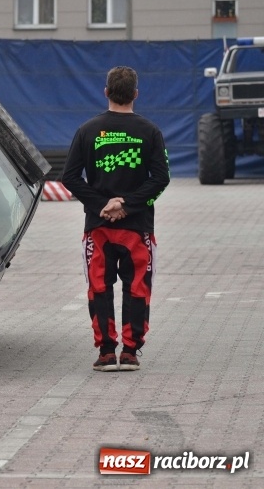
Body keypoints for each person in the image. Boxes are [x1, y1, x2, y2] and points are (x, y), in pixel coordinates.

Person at [61, 66, 170, 373]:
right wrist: (127, 204)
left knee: (99, 287)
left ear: (106, 92)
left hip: (99, 228)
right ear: (135, 94)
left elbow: (70, 177)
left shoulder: (87, 130)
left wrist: (102, 205)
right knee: (137, 288)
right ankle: (131, 352)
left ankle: (107, 352)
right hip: (137, 227)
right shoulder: (150, 131)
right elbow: (161, 178)